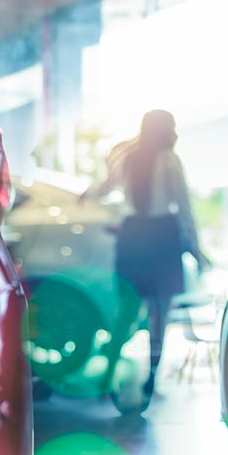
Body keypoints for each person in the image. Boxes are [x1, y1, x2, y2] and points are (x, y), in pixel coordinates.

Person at [81, 110, 209, 405]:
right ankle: (151, 376)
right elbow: (184, 207)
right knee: (160, 315)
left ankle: (107, 374)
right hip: (162, 235)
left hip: (133, 235)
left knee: (125, 310)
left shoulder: (126, 156)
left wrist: (85, 195)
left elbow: (105, 187)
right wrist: (196, 248)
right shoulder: (170, 160)